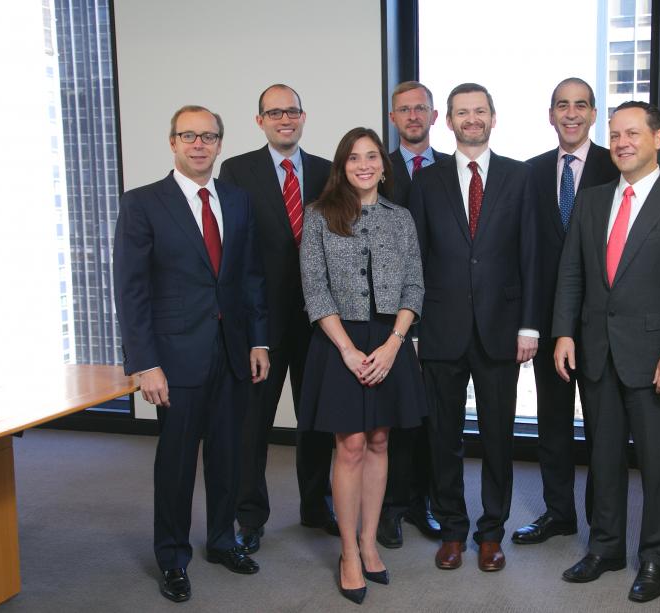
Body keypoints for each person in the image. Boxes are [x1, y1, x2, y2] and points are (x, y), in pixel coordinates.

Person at [552, 101, 660, 603]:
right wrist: (564, 332)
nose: (622, 142)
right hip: (598, 352)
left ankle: (656, 558)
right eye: (616, 134)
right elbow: (573, 272)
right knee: (602, 459)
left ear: (658, 139)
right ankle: (605, 548)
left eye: (633, 134)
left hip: (657, 359)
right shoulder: (593, 200)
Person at [113, 105, 269, 603]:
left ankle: (222, 541)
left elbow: (250, 277)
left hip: (232, 353)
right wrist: (144, 363)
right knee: (177, 466)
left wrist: (259, 340)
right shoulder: (143, 204)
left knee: (228, 457)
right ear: (173, 142)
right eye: (189, 135)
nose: (199, 144)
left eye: (208, 136)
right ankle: (173, 558)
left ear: (221, 143)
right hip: (174, 360)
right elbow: (131, 290)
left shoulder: (238, 201)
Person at [409, 83, 539, 573]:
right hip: (440, 329)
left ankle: (491, 532)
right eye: (462, 112)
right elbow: (415, 260)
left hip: (502, 329)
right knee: (443, 436)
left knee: (499, 437)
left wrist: (530, 325)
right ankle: (453, 529)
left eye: (479, 111)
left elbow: (531, 255)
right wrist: (414, 329)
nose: (471, 119)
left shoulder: (519, 177)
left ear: (493, 117)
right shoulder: (427, 180)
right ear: (448, 120)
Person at [298, 127, 426, 605]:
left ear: (383, 165)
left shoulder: (402, 218)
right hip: (339, 339)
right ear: (342, 166)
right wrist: (348, 350)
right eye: (354, 158)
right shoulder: (319, 216)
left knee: (379, 439)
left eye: (372, 156)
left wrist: (395, 343)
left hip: (389, 338)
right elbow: (315, 289)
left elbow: (415, 286)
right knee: (349, 444)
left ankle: (370, 540)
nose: (365, 165)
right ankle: (348, 551)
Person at [218, 84, 337, 553]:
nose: (284, 119)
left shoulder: (329, 171)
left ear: (303, 117)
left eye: (291, 111)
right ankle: (250, 516)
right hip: (261, 322)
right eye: (274, 112)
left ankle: (315, 504)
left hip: (319, 319)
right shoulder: (237, 171)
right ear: (260, 120)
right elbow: (233, 247)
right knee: (254, 425)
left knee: (316, 421)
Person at [513, 77, 619, 546]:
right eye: (562, 105)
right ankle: (559, 513)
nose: (571, 113)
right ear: (550, 114)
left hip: (601, 324)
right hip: (550, 322)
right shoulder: (530, 173)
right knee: (552, 425)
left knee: (602, 429)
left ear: (594, 114)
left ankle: (603, 521)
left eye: (581, 105)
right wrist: (531, 324)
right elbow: (526, 254)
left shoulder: (616, 166)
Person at [376, 81, 449, 548]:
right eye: (404, 109)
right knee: (388, 415)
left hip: (436, 308)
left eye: (420, 108)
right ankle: (389, 507)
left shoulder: (449, 169)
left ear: (434, 115)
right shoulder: (372, 166)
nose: (413, 116)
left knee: (427, 415)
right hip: (384, 311)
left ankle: (423, 502)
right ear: (393, 118)